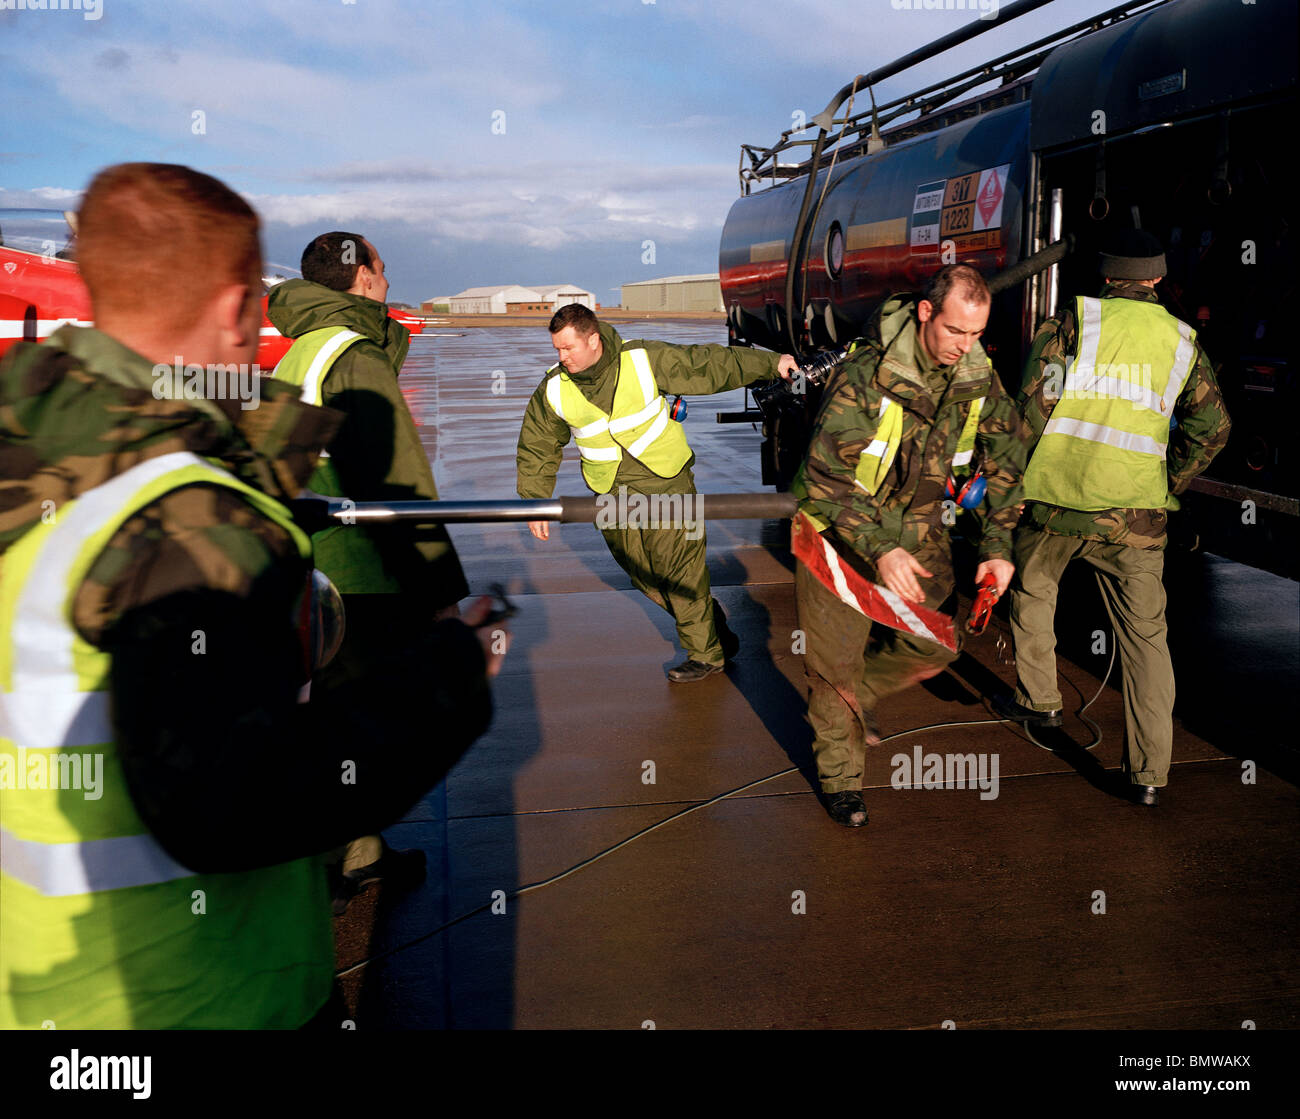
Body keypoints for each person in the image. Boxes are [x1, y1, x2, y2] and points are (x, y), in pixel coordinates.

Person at [0, 163, 500, 1028]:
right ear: (236, 307)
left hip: (44, 981)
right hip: (203, 992)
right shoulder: (191, 519)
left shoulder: (34, 462)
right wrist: (448, 684)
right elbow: (235, 801)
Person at [268, 232, 470, 911]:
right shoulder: (352, 356)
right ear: (361, 278)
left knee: (334, 725)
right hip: (362, 580)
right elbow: (400, 485)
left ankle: (360, 850)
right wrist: (442, 589)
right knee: (363, 729)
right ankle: (326, 877)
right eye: (382, 267)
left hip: (314, 578)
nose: (389, 277)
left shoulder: (303, 350)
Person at [997, 230, 1230, 806]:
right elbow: (1213, 430)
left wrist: (1011, 486)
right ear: (1155, 278)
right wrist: (1166, 479)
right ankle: (1149, 775)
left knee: (1033, 590)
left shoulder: (1070, 325)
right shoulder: (1183, 342)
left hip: (1055, 504)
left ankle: (1040, 703)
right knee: (1147, 642)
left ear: (1106, 277)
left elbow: (1030, 410)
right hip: (1137, 520)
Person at [792, 264, 1029, 827]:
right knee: (833, 667)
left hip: (919, 530)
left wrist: (998, 545)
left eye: (976, 334)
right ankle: (842, 781)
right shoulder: (866, 375)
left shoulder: (976, 373)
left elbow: (1008, 461)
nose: (966, 346)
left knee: (939, 641)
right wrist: (878, 548)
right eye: (955, 331)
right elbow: (825, 478)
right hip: (836, 532)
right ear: (926, 313)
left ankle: (861, 694)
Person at [516, 303, 796, 681]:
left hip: (667, 482)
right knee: (645, 576)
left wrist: (770, 363)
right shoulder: (554, 389)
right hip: (612, 494)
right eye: (557, 350)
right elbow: (538, 444)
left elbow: (707, 365)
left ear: (593, 340)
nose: (562, 357)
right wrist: (536, 502)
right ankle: (709, 629)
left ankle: (705, 655)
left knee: (678, 567)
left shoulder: (643, 359)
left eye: (568, 348)